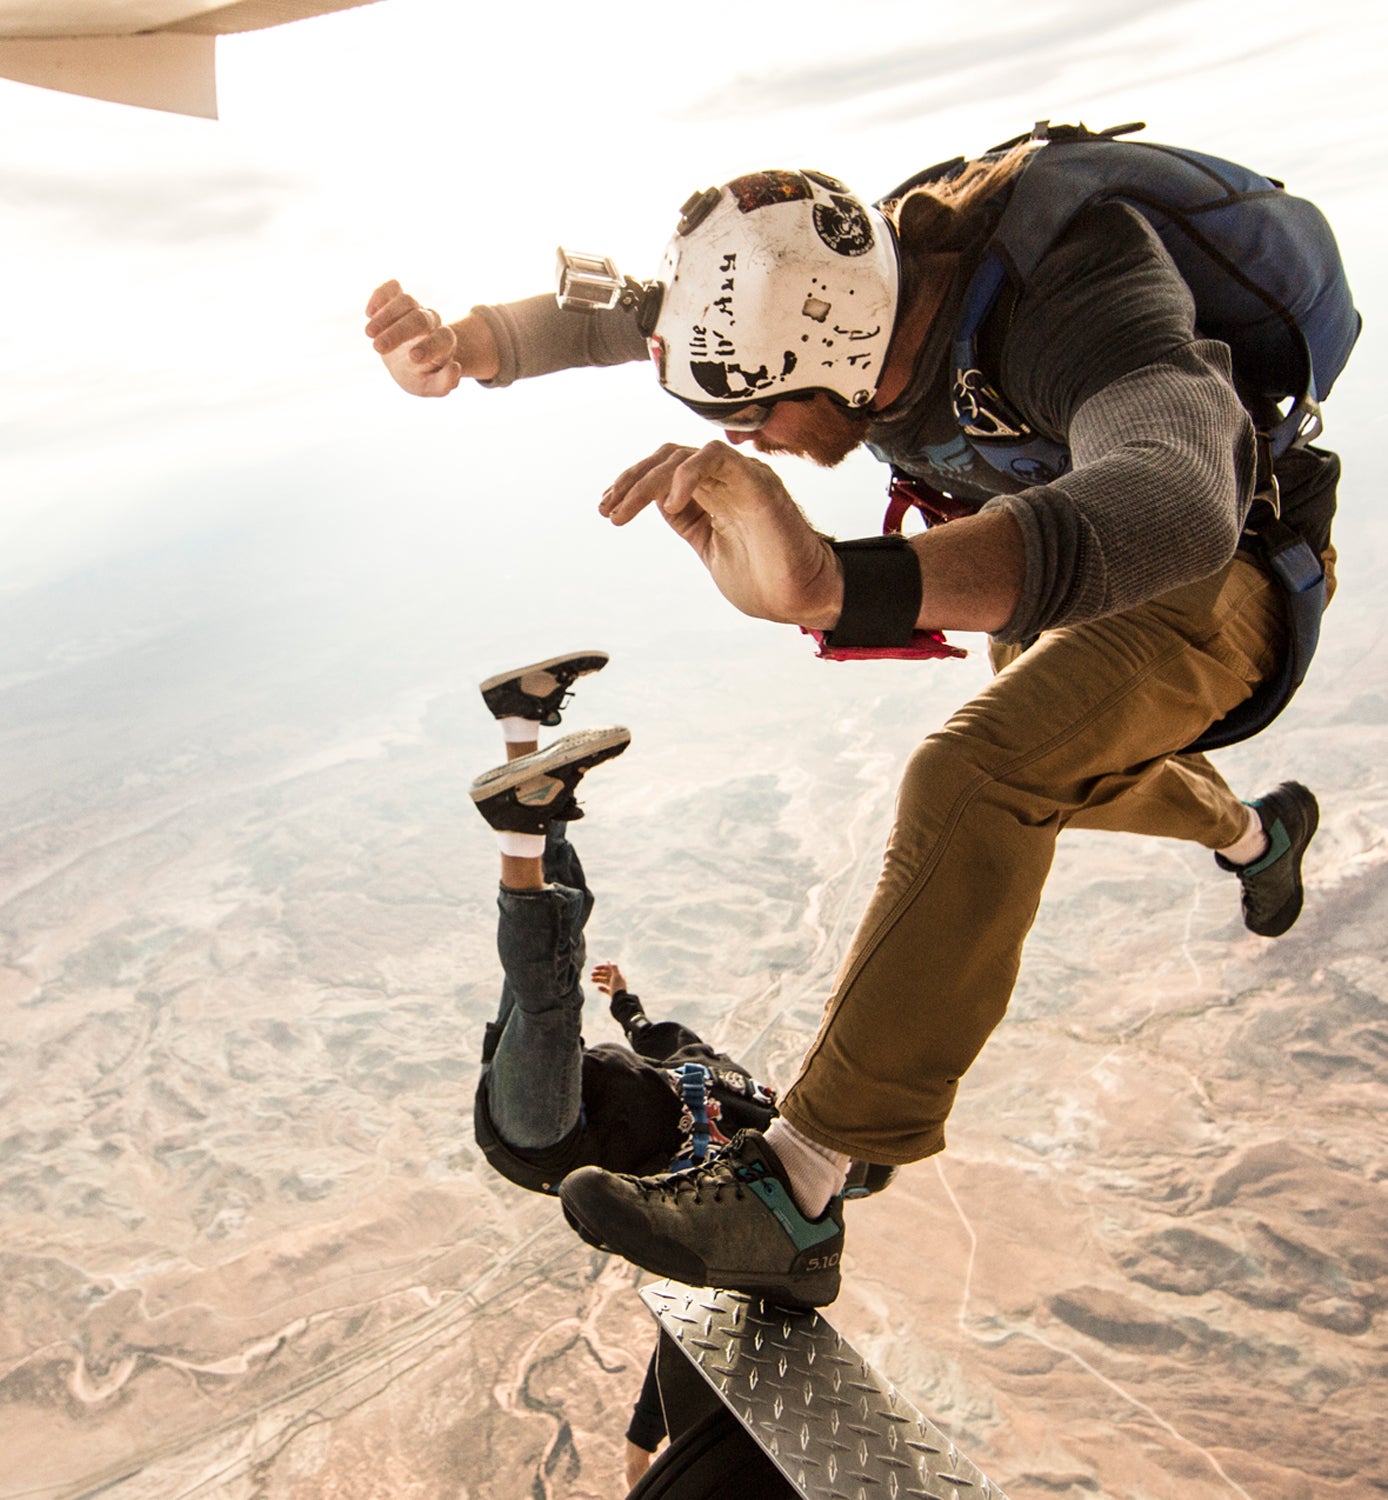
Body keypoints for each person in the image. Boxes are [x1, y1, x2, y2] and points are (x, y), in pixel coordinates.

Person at [374, 130, 1348, 1310]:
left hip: (1218, 566)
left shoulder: (1079, 292)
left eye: (759, 413)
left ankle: (797, 1188)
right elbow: (628, 316)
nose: (749, 437)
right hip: (1048, 566)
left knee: (978, 776)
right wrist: (471, 346)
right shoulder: (830, 288)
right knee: (1068, 766)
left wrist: (845, 582)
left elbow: (1177, 501)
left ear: (827, 357)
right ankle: (1257, 837)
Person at [467, 651, 786, 1484]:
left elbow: (693, 1329)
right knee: (564, 911)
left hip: (545, 1135)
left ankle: (519, 805)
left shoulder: (756, 1199)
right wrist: (631, 1001)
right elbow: (663, 1047)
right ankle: (518, 723)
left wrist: (646, 1449)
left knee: (547, 993)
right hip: (571, 1081)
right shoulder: (734, 1082)